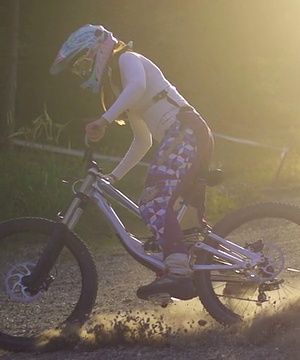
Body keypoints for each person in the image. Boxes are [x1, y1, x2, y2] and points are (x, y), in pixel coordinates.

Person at [50, 24, 214, 301]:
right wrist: (113, 178)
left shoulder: (128, 59)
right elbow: (143, 141)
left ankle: (177, 273)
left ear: (96, 50)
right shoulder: (123, 87)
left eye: (81, 64)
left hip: (185, 130)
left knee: (153, 202)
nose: (81, 72)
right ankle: (203, 272)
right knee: (177, 214)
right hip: (185, 135)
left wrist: (104, 120)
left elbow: (137, 86)